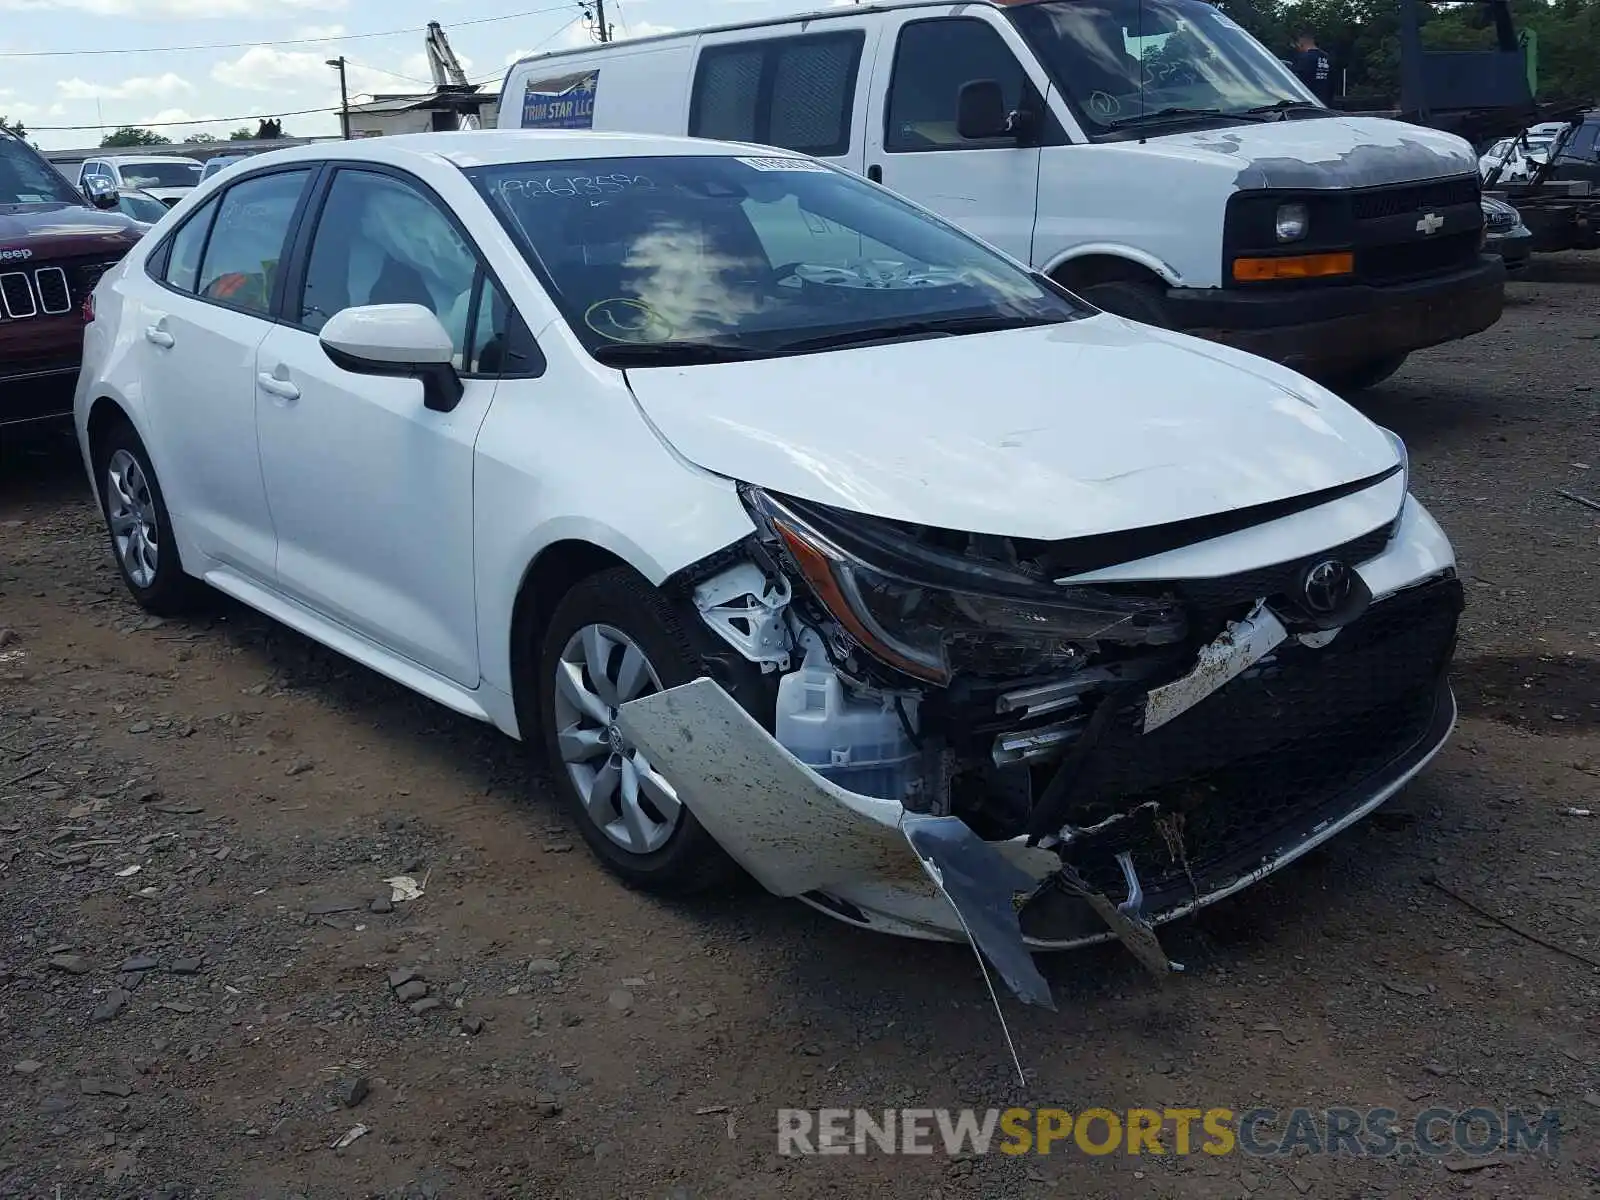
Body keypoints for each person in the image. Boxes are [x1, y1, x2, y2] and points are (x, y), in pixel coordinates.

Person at [1291, 29, 1334, 104]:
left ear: (1300, 43)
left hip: (1307, 103)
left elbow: (1296, 81)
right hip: (1325, 103)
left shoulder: (1304, 58)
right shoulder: (1328, 57)